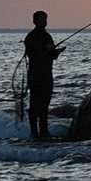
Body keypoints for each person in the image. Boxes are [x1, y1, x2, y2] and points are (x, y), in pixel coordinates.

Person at [24, 10, 62, 141]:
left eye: (45, 19)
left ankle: (40, 132)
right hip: (38, 74)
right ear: (34, 21)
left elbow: (51, 55)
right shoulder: (38, 37)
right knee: (37, 104)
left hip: (42, 73)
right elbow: (40, 54)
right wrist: (53, 52)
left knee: (42, 104)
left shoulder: (35, 36)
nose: (44, 22)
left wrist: (54, 52)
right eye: (41, 19)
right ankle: (38, 132)